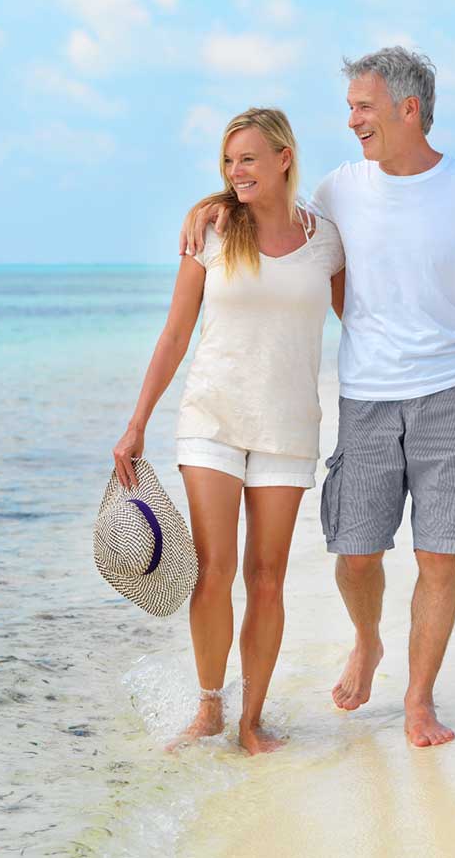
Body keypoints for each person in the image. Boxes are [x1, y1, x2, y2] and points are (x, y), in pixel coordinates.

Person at [181, 47, 455, 748]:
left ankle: (417, 700)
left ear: (409, 109)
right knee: (356, 553)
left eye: (363, 107)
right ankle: (368, 638)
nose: (351, 121)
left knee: (440, 553)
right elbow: (271, 214)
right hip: (367, 395)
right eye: (350, 107)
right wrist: (210, 202)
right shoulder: (339, 190)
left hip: (450, 391)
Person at [114, 108, 345, 755]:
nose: (235, 171)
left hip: (287, 426)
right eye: (227, 161)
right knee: (214, 570)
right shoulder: (212, 232)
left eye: (247, 158)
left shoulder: (327, 239)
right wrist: (137, 423)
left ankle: (253, 720)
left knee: (266, 575)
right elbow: (175, 333)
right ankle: (210, 706)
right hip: (211, 417)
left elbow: (363, 320)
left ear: (283, 159)